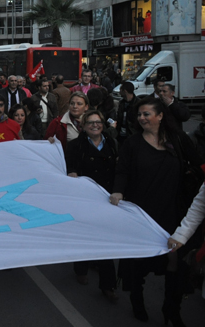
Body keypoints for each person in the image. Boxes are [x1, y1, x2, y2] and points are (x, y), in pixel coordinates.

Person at [110, 97, 204, 325]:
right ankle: (137, 300)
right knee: (139, 263)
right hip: (142, 214)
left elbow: (199, 165)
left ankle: (171, 309)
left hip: (174, 211)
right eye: (139, 114)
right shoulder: (132, 143)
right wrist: (118, 191)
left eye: (147, 114)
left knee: (176, 262)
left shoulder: (178, 139)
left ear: (160, 116)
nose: (142, 118)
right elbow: (122, 171)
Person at [64, 110, 119, 303]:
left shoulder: (112, 143)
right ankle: (81, 268)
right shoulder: (74, 146)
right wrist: (72, 173)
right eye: (90, 122)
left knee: (105, 241)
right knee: (84, 236)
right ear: (83, 126)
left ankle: (108, 285)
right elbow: (68, 166)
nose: (95, 125)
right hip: (84, 200)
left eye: (98, 122)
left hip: (107, 198)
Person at [116, 81, 139, 146]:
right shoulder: (122, 103)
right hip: (121, 135)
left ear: (125, 91)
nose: (119, 92)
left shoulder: (138, 103)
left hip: (132, 135)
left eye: (120, 90)